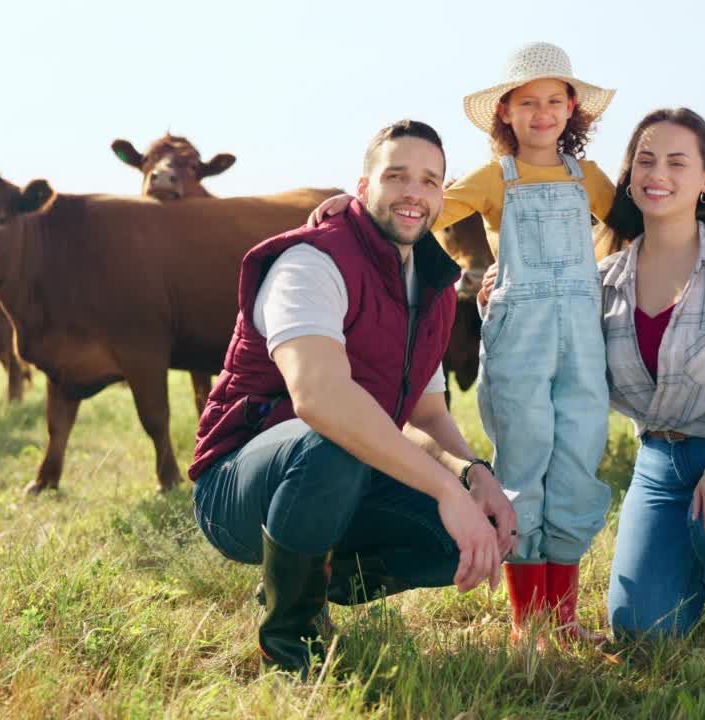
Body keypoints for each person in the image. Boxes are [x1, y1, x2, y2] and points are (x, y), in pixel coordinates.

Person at [189, 119, 517, 678]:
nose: (413, 192)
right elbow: (319, 399)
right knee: (332, 441)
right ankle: (291, 644)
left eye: (429, 180)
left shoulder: (433, 289)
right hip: (240, 487)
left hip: (342, 474)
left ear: (443, 195)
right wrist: (444, 488)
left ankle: (295, 580)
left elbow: (429, 414)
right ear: (363, 188)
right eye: (396, 175)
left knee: (467, 522)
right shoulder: (312, 263)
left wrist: (474, 475)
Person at [311, 42, 617, 642]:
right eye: (528, 102)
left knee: (577, 462)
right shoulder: (492, 178)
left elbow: (629, 223)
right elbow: (417, 212)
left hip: (582, 337)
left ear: (572, 107)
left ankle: (568, 619)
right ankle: (531, 623)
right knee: (526, 464)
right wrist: (348, 211)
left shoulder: (590, 178)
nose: (542, 112)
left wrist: (604, 266)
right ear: (505, 111)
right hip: (522, 339)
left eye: (555, 100)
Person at [485, 108, 705, 638]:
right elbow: (548, 356)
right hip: (662, 464)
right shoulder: (595, 283)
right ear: (628, 179)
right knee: (642, 632)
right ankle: (699, 556)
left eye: (676, 161)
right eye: (645, 161)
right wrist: (506, 294)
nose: (657, 174)